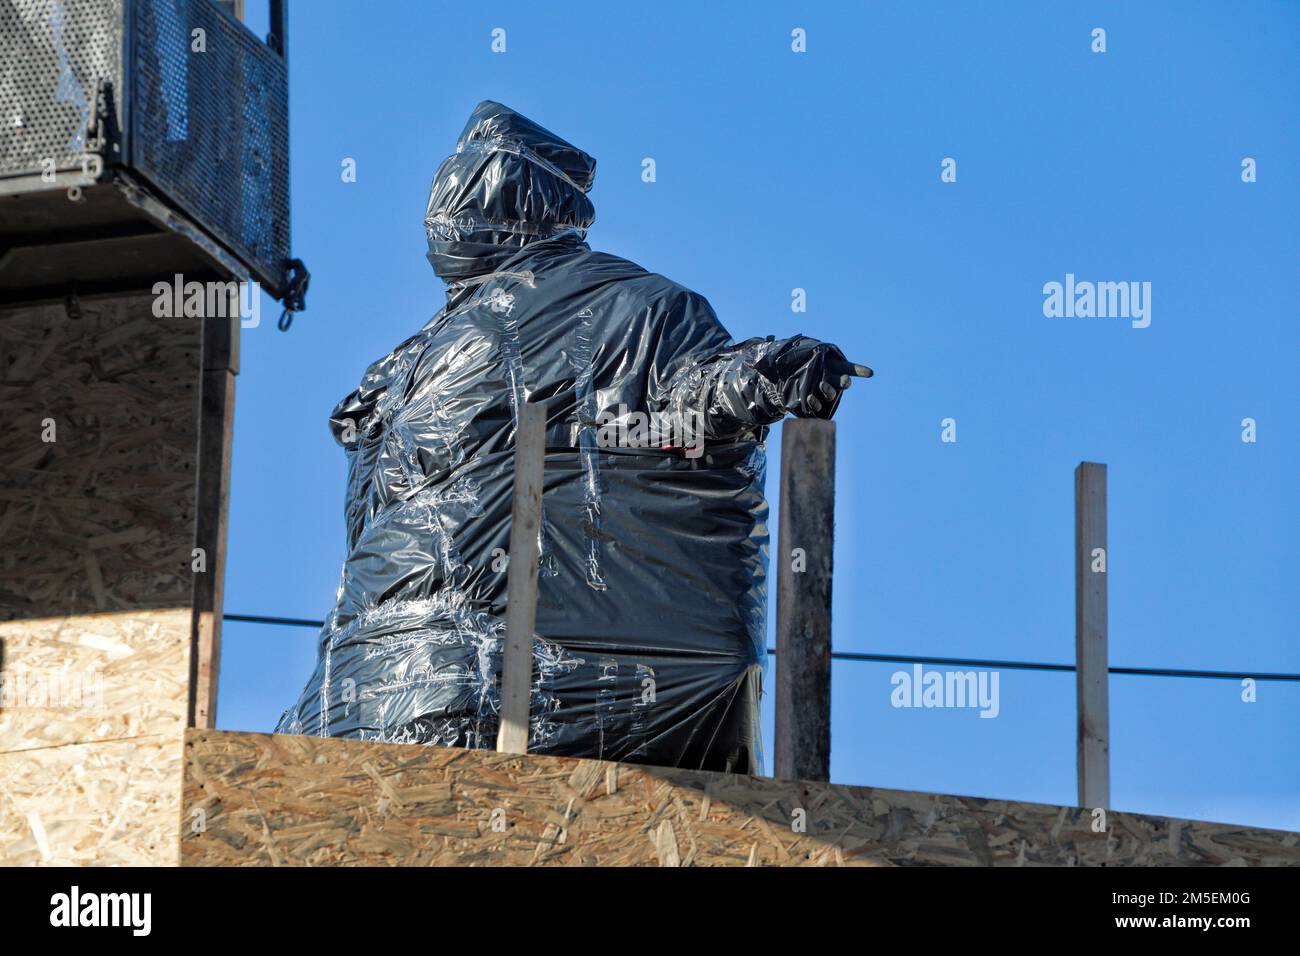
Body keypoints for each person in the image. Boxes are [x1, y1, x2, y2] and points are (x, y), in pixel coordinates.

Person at [275, 101, 868, 774]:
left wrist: (768, 373)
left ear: (513, 208)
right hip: (406, 680)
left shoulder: (626, 309)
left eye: (468, 200)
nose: (448, 223)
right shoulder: (416, 358)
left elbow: (692, 399)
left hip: (500, 678)